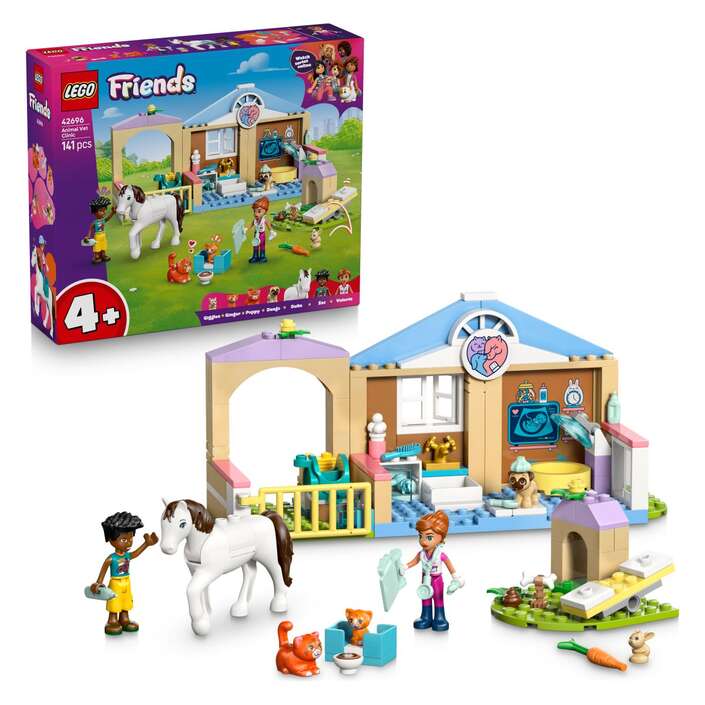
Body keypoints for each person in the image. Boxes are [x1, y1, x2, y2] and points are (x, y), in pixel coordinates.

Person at [89, 512, 158, 636]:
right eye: (124, 539)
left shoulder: (127, 555)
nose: (129, 543)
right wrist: (98, 583)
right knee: (114, 601)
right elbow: (103, 571)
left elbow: (135, 553)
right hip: (115, 583)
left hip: (127, 582)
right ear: (111, 539)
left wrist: (146, 544)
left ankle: (124, 619)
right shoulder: (111, 558)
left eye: (131, 539)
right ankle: (112, 620)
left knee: (126, 601)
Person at [402, 511, 464, 631]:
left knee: (438, 598)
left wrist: (456, 578)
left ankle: (440, 618)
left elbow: (450, 567)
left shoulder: (440, 555)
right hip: (425, 578)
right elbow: (414, 561)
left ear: (441, 537)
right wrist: (405, 567)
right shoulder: (421, 554)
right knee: (424, 597)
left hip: (436, 579)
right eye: (420, 536)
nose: (423, 541)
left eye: (429, 537)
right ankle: (426, 617)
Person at [84, 196, 116, 264]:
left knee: (103, 246)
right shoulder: (94, 222)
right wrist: (88, 236)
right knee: (97, 247)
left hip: (103, 236)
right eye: (101, 211)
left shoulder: (103, 220)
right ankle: (97, 256)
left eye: (104, 210)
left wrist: (112, 213)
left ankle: (103, 255)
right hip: (97, 237)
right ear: (95, 212)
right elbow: (90, 229)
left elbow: (108, 218)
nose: (103, 212)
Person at [247, 197, 274, 263]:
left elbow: (269, 226)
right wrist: (245, 229)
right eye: (254, 211)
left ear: (265, 212)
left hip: (261, 234)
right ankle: (255, 256)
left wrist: (271, 231)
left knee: (262, 245)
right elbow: (250, 225)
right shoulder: (255, 220)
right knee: (255, 244)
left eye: (259, 211)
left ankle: (262, 256)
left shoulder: (264, 220)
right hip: (256, 234)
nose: (256, 214)